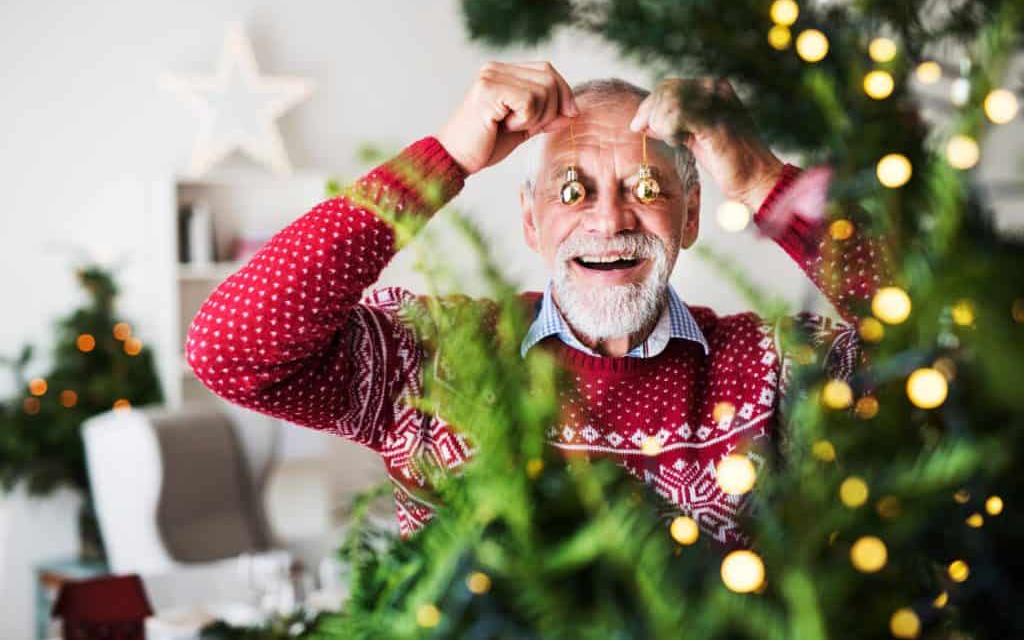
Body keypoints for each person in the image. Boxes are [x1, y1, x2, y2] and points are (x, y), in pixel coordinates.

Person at [186, 62, 886, 546]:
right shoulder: (432, 358)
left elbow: (960, 336)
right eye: (574, 191)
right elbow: (228, 348)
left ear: (691, 214)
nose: (608, 222)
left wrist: (763, 178)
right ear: (530, 221)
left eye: (645, 189)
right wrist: (446, 159)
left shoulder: (778, 367)